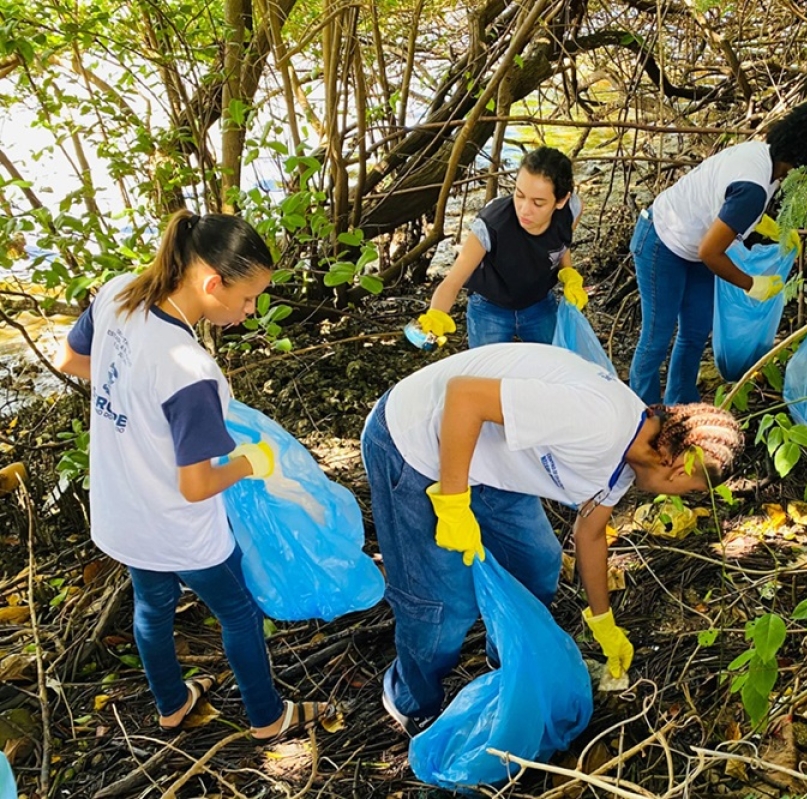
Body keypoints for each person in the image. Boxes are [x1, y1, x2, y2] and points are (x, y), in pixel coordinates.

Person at [360, 343, 743, 733]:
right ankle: (412, 700)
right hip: (414, 443)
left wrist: (603, 622)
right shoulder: (601, 423)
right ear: (680, 469)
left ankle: (507, 663)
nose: (678, 496)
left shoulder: (630, 460)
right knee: (442, 605)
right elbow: (464, 396)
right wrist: (454, 502)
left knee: (537, 565)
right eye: (693, 490)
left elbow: (591, 535)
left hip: (490, 457)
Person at [54, 210, 327, 741]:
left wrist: (131, 404)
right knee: (240, 611)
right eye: (247, 299)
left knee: (152, 606)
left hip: (121, 511)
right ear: (211, 283)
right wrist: (252, 462)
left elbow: (70, 359)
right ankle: (268, 719)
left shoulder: (118, 293)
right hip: (178, 527)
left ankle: (172, 705)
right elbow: (196, 485)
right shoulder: (189, 368)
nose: (250, 311)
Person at [627, 98, 807, 405]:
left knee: (695, 330)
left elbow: (724, 218)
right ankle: (644, 413)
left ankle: (681, 401)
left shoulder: (768, 160)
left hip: (694, 244)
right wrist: (751, 284)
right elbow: (711, 252)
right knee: (657, 336)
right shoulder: (754, 186)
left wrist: (766, 225)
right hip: (662, 240)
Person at [414, 146, 588, 348]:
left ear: (561, 200)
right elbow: (452, 282)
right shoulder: (491, 225)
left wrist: (569, 274)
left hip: (539, 304)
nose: (524, 210)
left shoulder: (572, 209)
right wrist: (436, 315)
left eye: (538, 203)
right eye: (519, 195)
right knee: (486, 372)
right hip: (489, 308)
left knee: (552, 365)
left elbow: (560, 243)